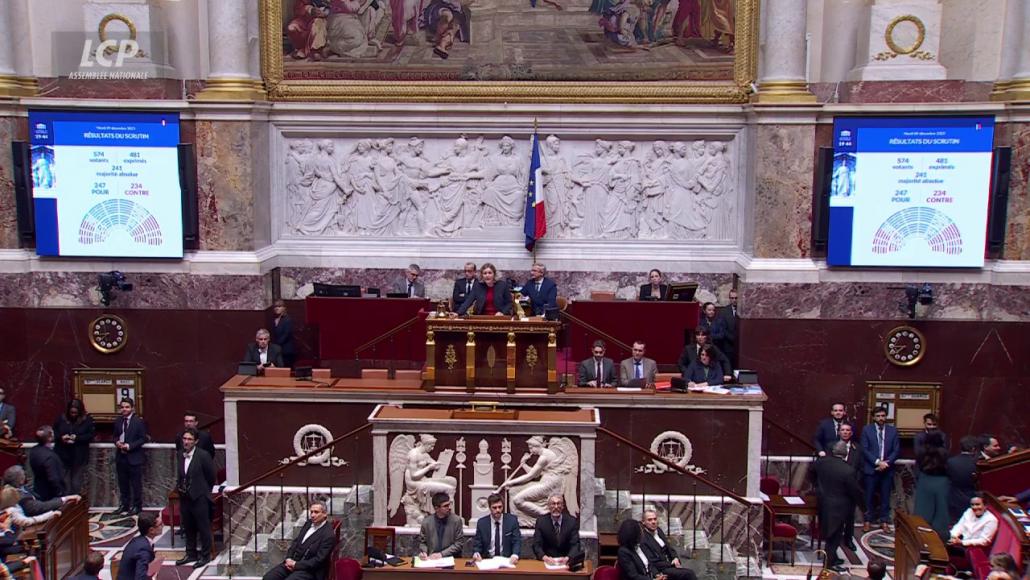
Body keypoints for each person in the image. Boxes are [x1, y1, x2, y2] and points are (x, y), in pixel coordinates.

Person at [815, 441, 864, 573]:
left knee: (828, 532)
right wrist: (864, 507)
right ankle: (829, 564)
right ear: (846, 453)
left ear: (833, 451)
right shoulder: (848, 470)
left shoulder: (820, 463)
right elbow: (855, 491)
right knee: (835, 536)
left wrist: (818, 489)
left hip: (823, 502)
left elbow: (812, 475)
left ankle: (833, 558)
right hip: (839, 507)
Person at [175, 428, 216, 568]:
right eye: (185, 439)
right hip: (185, 497)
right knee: (188, 526)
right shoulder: (180, 454)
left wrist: (203, 491)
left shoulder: (203, 455)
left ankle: (205, 555)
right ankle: (190, 553)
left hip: (200, 497)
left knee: (203, 527)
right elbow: (180, 474)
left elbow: (211, 476)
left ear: (196, 441)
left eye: (189, 439)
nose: (186, 442)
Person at [262, 502, 335, 580]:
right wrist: (289, 558)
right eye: (311, 512)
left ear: (324, 514)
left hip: (309, 570)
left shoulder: (328, 534)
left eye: (316, 512)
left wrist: (296, 565)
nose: (313, 515)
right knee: (268, 577)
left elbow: (319, 560)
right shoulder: (308, 523)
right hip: (292, 563)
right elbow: (296, 542)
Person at [860, 406, 899, 532]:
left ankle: (884, 521)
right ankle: (867, 520)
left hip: (887, 469)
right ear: (873, 417)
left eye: (883, 416)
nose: (881, 418)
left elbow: (896, 450)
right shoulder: (867, 430)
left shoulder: (892, 430)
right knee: (869, 496)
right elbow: (864, 449)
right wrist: (877, 462)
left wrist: (886, 463)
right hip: (871, 469)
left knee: (885, 497)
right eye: (878, 416)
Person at [113, 397, 147, 516]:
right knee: (123, 483)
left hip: (134, 458)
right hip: (121, 457)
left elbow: (143, 438)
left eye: (127, 407)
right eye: (122, 407)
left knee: (135, 484)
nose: (124, 409)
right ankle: (124, 505)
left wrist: (130, 446)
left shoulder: (138, 422)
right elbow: (115, 436)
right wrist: (117, 442)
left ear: (132, 408)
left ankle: (137, 506)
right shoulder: (118, 421)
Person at [53, 398, 95, 494]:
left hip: (79, 457)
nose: (73, 415)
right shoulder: (61, 419)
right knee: (64, 483)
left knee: (76, 483)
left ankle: (76, 505)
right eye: (71, 413)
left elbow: (90, 436)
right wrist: (61, 437)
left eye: (75, 413)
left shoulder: (87, 420)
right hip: (63, 455)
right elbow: (54, 432)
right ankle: (66, 505)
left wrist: (77, 438)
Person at [914, 431, 951, 539]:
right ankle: (940, 536)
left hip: (924, 480)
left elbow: (918, 466)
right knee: (941, 508)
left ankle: (922, 534)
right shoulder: (944, 452)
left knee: (923, 507)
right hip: (941, 481)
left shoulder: (921, 452)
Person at [640, 509, 696, 579]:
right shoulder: (643, 538)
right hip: (661, 569)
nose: (653, 522)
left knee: (688, 572)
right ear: (643, 522)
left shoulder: (659, 530)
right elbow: (652, 562)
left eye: (655, 519)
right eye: (650, 520)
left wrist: (675, 558)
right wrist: (671, 563)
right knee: (689, 574)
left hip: (670, 564)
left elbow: (670, 548)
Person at [2, 465, 78, 516]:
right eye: (24, 476)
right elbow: (39, 508)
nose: (25, 477)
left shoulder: (22, 487)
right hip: (33, 520)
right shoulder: (17, 495)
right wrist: (64, 499)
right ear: (20, 480)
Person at [531, 495, 581, 565]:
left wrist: (568, 558)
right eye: (553, 504)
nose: (556, 507)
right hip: (547, 562)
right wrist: (544, 557)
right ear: (548, 506)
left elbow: (575, 545)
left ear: (563, 506)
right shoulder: (541, 522)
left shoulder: (571, 521)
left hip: (566, 562)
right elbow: (536, 545)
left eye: (559, 503)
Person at [471, 493, 521, 562]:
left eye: (500, 507)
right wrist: (476, 553)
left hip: (507, 560)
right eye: (494, 507)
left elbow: (516, 541)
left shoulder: (512, 521)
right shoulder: (482, 523)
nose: (497, 510)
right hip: (487, 560)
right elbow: (477, 544)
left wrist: (515, 555)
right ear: (489, 507)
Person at [948, 494, 998, 559]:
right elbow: (959, 526)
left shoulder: (991, 520)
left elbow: (984, 541)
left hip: (973, 549)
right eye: (972, 505)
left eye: (977, 504)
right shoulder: (969, 511)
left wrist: (962, 542)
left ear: (985, 506)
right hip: (960, 542)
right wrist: (953, 536)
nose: (974, 507)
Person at [837, 423, 862, 550]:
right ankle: (835, 538)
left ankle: (848, 539)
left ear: (851, 433)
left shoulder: (857, 448)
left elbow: (860, 468)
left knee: (850, 515)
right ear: (839, 432)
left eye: (848, 430)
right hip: (836, 487)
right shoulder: (832, 446)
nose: (845, 432)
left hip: (851, 487)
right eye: (843, 430)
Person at [417, 492, 464, 559]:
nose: (449, 508)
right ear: (436, 508)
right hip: (432, 559)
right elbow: (423, 543)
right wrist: (424, 552)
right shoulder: (426, 522)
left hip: (451, 558)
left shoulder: (456, 520)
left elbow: (459, 544)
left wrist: (441, 554)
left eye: (449, 504)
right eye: (445, 506)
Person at [116, 512, 162, 580]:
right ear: (151, 530)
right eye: (160, 524)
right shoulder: (143, 550)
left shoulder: (138, 540)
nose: (163, 526)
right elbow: (141, 578)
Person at [947, 436, 980, 521]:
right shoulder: (977, 463)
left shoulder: (950, 462)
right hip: (973, 501)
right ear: (973, 449)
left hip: (953, 500)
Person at [27, 425, 64, 502]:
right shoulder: (49, 456)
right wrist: (59, 492)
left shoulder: (34, 450)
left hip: (38, 488)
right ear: (50, 438)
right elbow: (53, 478)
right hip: (49, 494)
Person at [716, 289, 738, 367]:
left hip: (741, 346)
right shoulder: (724, 312)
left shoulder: (744, 310)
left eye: (736, 298)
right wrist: (732, 339)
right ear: (729, 298)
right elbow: (722, 329)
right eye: (732, 298)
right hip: (728, 346)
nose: (734, 300)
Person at [271, 299, 296, 369]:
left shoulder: (287, 319)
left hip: (287, 350)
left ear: (284, 308)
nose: (277, 308)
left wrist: (276, 345)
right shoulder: (275, 320)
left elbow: (286, 334)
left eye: (279, 306)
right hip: (279, 350)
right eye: (275, 307)